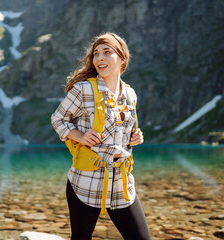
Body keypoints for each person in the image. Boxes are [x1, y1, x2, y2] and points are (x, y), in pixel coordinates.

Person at [51, 32, 151, 240]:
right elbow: (58, 119)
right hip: (86, 181)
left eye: (107, 52)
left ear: (122, 58)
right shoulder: (83, 89)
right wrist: (79, 135)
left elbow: (123, 129)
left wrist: (135, 137)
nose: (99, 58)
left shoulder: (130, 94)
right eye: (96, 54)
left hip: (121, 183)